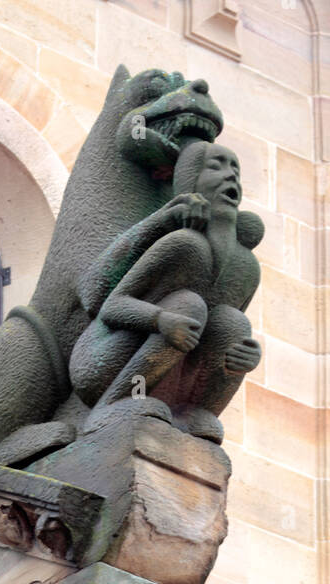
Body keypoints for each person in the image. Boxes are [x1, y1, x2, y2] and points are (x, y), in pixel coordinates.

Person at [68, 142, 263, 442]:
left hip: (170, 372)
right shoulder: (183, 243)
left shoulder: (246, 266)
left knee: (234, 323)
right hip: (102, 362)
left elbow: (219, 335)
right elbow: (112, 306)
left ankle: (195, 414)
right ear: (191, 182)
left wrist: (246, 355)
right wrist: (160, 320)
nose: (230, 176)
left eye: (235, 170)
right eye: (216, 166)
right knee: (189, 305)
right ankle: (113, 405)